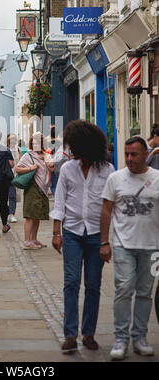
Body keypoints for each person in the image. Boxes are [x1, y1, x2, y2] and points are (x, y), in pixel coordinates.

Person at [50, 120, 115, 353]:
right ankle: (70, 335)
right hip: (72, 233)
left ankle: (88, 333)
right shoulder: (68, 169)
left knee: (94, 285)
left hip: (97, 235)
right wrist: (56, 232)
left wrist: (108, 241)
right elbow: (59, 202)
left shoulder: (108, 171)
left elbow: (110, 207)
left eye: (76, 146)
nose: (72, 151)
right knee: (71, 283)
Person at [100, 136, 159, 360]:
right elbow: (106, 210)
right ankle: (121, 338)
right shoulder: (115, 178)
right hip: (124, 244)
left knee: (145, 293)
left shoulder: (157, 178)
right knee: (123, 290)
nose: (129, 158)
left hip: (153, 246)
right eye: (126, 154)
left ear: (146, 155)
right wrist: (104, 242)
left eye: (134, 154)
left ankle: (140, 337)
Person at [16, 132, 53, 250]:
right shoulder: (28, 155)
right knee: (30, 215)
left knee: (37, 216)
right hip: (33, 187)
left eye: (38, 142)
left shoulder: (46, 155)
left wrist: (48, 162)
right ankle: (27, 241)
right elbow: (17, 168)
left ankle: (34, 239)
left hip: (43, 188)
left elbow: (51, 168)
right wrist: (30, 168)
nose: (35, 144)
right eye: (33, 142)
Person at [7, 133, 22, 223]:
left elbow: (21, 162)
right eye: (11, 141)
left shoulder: (18, 150)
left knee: (12, 196)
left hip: (14, 176)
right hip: (5, 176)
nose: (12, 143)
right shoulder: (5, 150)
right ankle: (6, 213)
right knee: (5, 197)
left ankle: (12, 214)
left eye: (14, 141)